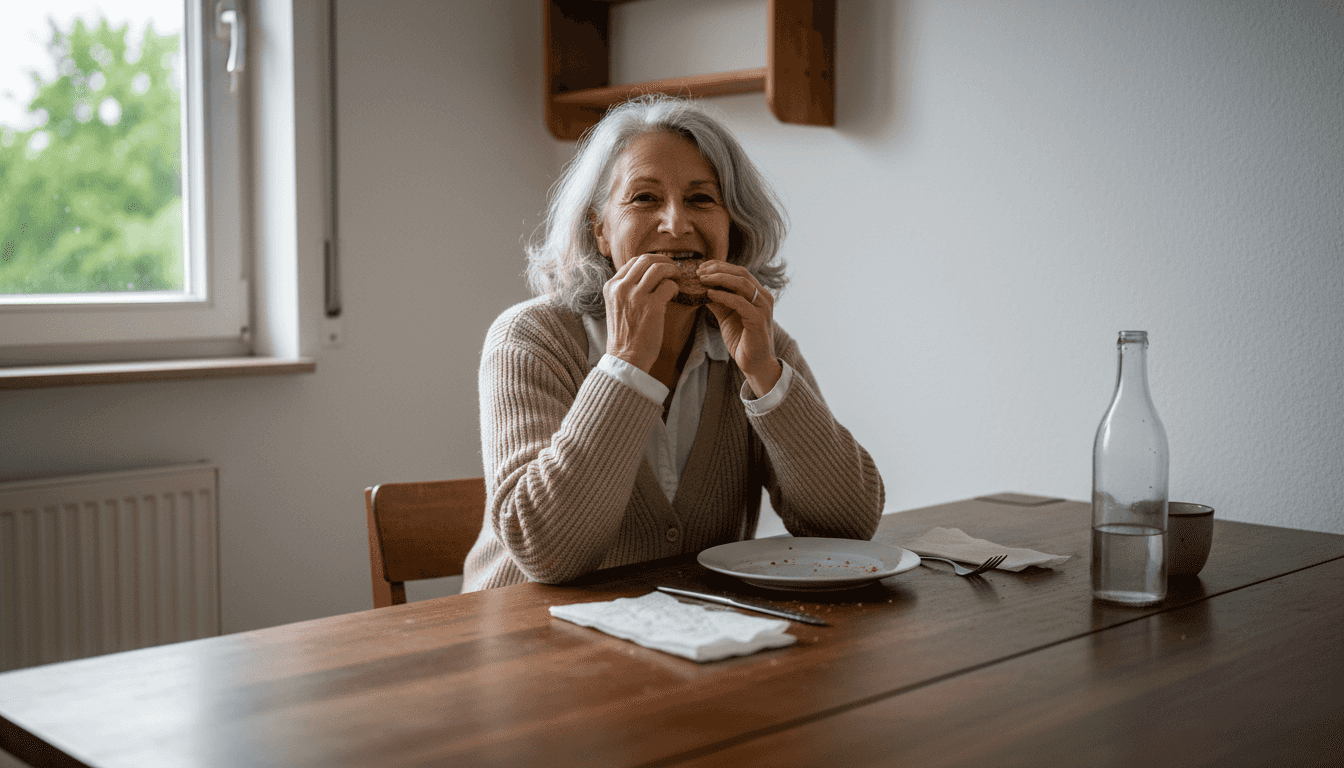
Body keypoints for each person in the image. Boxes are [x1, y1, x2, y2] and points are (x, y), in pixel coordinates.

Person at [461, 95, 883, 591]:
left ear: (732, 226)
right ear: (600, 230)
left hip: (690, 628)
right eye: (644, 198)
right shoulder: (530, 339)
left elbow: (849, 527)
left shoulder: (758, 343)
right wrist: (626, 365)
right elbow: (546, 552)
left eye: (702, 199)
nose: (677, 224)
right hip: (527, 629)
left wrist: (766, 377)